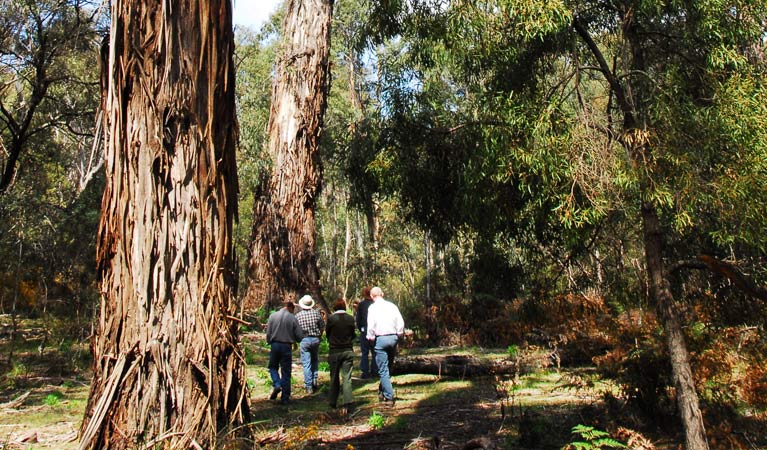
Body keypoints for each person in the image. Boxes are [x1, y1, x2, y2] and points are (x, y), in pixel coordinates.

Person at [366, 286, 405, 404]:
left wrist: (370, 337)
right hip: (393, 338)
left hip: (380, 340)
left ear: (372, 297)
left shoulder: (372, 308)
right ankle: (382, 390)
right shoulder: (392, 306)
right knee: (388, 367)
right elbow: (400, 322)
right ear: (382, 294)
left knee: (383, 369)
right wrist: (399, 334)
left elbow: (371, 325)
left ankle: (389, 397)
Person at [265, 301, 304, 404]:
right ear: (290, 308)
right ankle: (285, 399)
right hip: (287, 346)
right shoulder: (292, 318)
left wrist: (269, 341)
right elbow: (299, 336)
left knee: (273, 367)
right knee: (286, 371)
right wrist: (295, 340)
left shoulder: (273, 316)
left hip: (275, 345)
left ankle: (277, 384)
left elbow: (268, 332)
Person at [325, 298, 356, 412]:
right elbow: (353, 334)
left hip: (334, 351)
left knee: (334, 377)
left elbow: (327, 333)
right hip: (347, 350)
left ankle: (332, 401)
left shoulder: (331, 319)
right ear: (344, 307)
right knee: (347, 377)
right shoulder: (350, 318)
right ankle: (348, 401)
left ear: (334, 307)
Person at [295, 294, 325, 394]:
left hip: (304, 340)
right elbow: (322, 327)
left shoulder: (298, 316)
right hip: (315, 339)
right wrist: (319, 337)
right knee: (315, 360)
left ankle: (308, 386)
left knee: (306, 363)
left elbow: (295, 330)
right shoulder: (317, 314)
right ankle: (314, 380)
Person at [355, 286, 377, 378]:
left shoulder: (361, 305)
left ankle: (365, 372)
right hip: (375, 330)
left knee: (364, 352)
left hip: (364, 330)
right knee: (374, 351)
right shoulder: (375, 304)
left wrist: (361, 328)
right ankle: (375, 371)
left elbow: (358, 319)